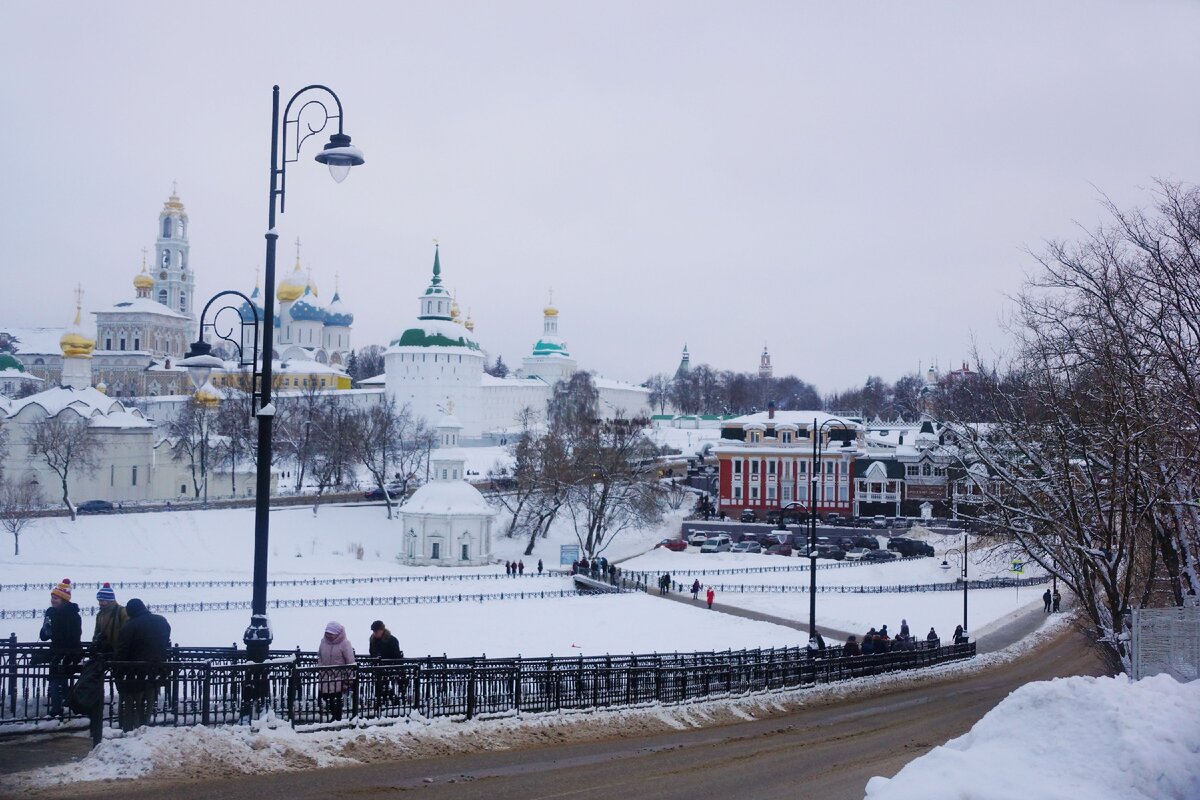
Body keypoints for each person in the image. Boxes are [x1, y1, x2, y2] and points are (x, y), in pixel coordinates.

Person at [114, 598, 171, 731]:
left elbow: (122, 650)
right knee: (149, 703)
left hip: (133, 672)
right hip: (155, 670)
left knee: (132, 705)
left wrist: (117, 669)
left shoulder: (130, 626)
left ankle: (131, 731)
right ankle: (144, 730)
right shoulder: (161, 621)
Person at [40, 578, 82, 718]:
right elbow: (44, 636)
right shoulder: (50, 612)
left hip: (67, 653)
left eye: (56, 598)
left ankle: (57, 711)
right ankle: (72, 707)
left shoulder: (72, 614)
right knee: (59, 682)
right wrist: (46, 630)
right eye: (52, 597)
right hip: (55, 652)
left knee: (57, 681)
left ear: (64, 599)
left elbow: (75, 636)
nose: (53, 600)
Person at [318, 621, 355, 721]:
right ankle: (332, 717)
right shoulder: (323, 642)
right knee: (326, 699)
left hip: (339, 678)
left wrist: (348, 680)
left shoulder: (345, 644)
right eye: (327, 633)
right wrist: (321, 669)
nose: (329, 636)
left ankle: (336, 719)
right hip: (325, 677)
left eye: (331, 633)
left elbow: (350, 662)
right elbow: (320, 657)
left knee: (337, 700)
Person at [368, 620, 403, 705]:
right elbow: (372, 653)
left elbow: (397, 655)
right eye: (374, 631)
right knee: (379, 689)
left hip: (389, 669)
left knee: (384, 688)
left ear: (382, 630)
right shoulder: (372, 640)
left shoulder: (392, 640)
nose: (375, 633)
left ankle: (392, 701)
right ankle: (382, 703)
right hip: (378, 669)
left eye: (376, 631)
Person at [92, 582, 128, 656]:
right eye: (99, 600)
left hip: (118, 652)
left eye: (102, 600)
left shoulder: (121, 612)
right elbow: (97, 632)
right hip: (104, 651)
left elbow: (127, 633)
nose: (99, 603)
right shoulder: (100, 614)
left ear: (110, 600)